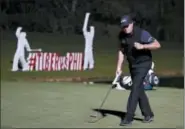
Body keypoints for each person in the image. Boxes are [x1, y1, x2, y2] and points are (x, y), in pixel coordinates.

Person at [116, 15, 161, 126]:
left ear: (132, 24)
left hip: (144, 63)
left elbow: (157, 45)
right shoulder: (122, 35)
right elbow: (122, 50)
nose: (125, 28)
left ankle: (129, 118)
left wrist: (142, 46)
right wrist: (118, 67)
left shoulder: (142, 33)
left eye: (127, 26)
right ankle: (148, 115)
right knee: (139, 89)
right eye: (123, 26)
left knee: (135, 88)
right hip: (133, 65)